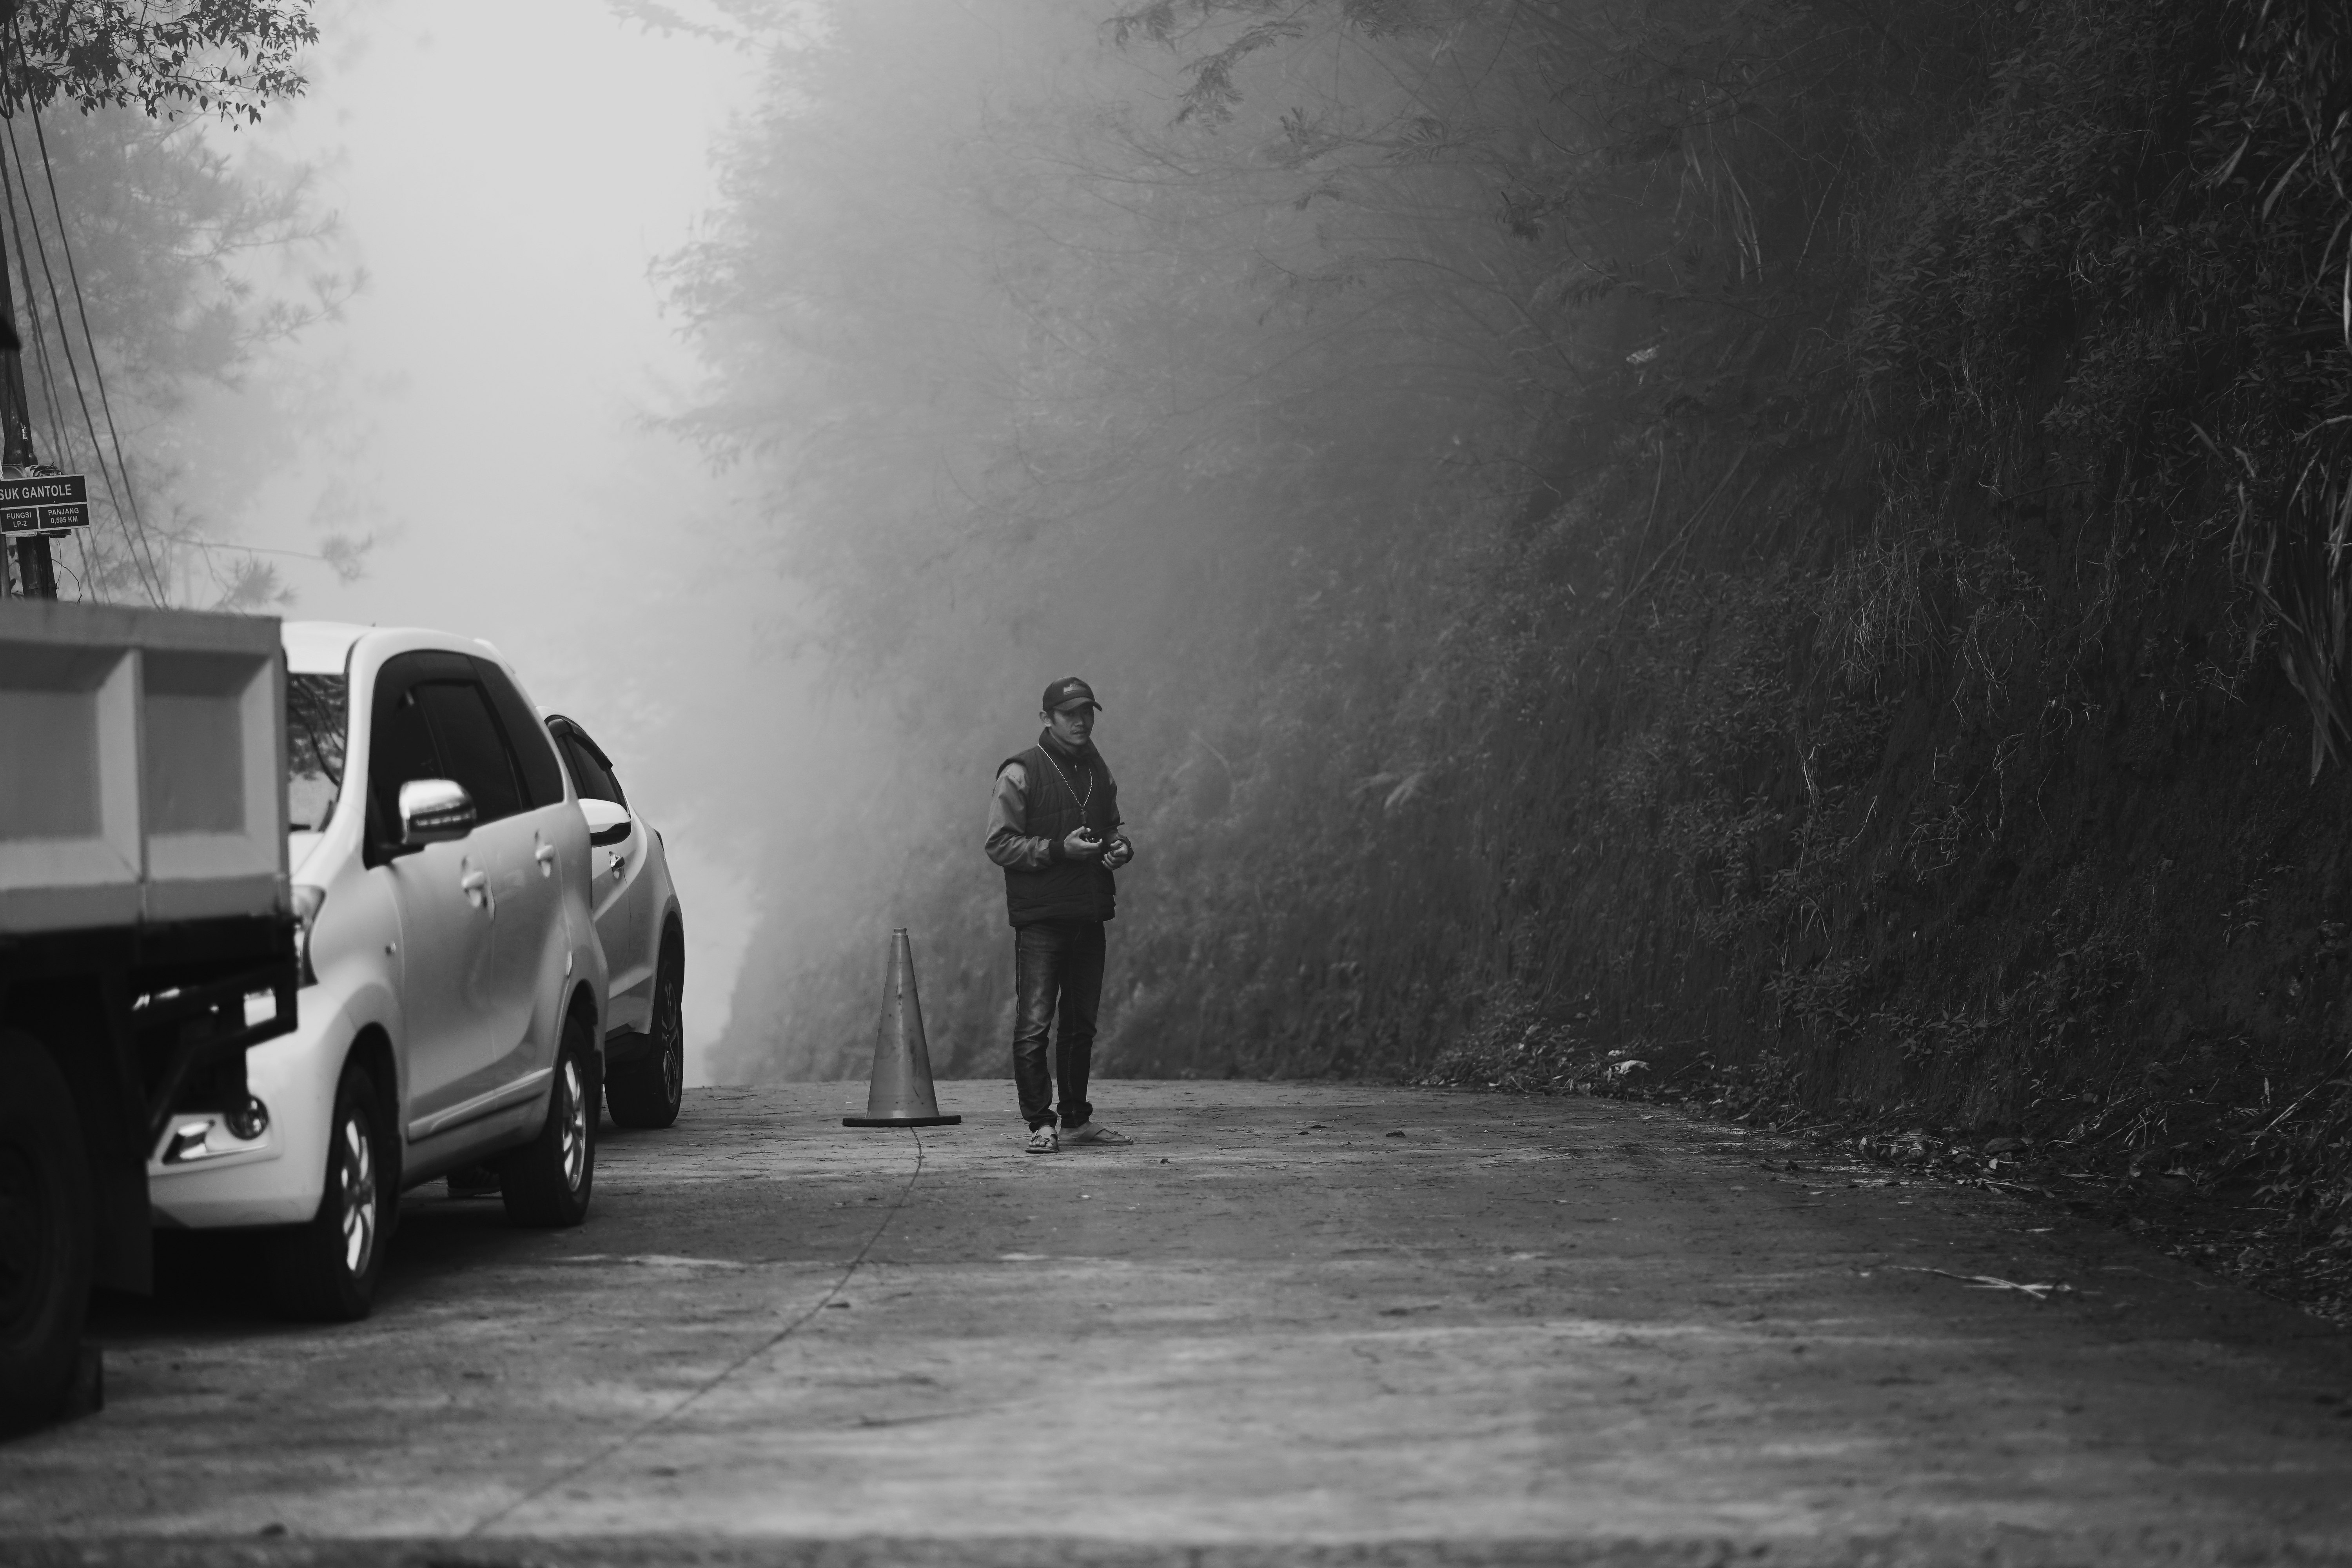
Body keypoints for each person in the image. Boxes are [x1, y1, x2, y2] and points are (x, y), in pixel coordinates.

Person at [985, 676, 1136, 1154]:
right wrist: (1058, 848)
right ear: (1047, 718)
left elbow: (1110, 828)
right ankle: (1040, 1123)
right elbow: (999, 843)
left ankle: (1075, 1120)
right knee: (1033, 1026)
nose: (1081, 720)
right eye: (1070, 713)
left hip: (1088, 914)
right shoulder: (1020, 772)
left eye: (1087, 711)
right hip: (1042, 919)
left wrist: (1119, 848)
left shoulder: (1097, 768)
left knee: (1081, 1025)